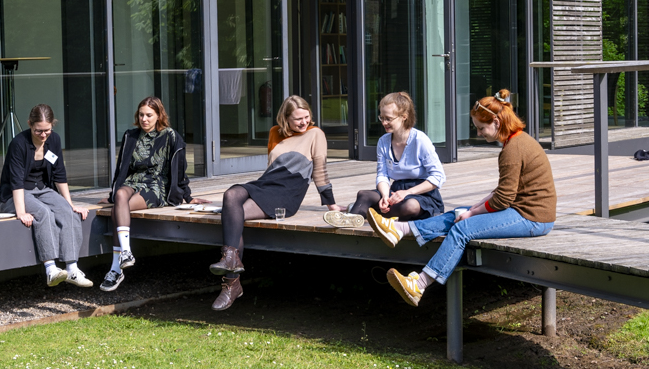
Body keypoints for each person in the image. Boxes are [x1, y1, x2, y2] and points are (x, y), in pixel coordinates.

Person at [367, 89, 556, 307]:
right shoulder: (516, 142)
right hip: (520, 209)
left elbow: (503, 199)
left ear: (496, 121)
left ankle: (419, 285)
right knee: (458, 213)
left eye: (481, 128)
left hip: (533, 218)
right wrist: (472, 208)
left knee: (462, 228)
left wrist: (473, 212)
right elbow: (504, 191)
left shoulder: (512, 150)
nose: (478, 133)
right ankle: (399, 230)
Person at [210, 95, 344, 310]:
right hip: (267, 184)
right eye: (297, 119)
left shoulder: (315, 134)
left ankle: (230, 283)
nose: (303, 122)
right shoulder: (275, 132)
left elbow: (320, 170)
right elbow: (272, 166)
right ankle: (230, 261)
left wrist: (331, 203)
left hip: (288, 192)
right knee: (231, 196)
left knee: (234, 213)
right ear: (285, 118)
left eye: (306, 117)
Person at [103, 97, 204, 293]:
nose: (144, 119)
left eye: (149, 115)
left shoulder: (171, 136)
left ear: (159, 116)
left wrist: (188, 196)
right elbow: (121, 170)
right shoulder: (130, 136)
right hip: (132, 182)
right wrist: (111, 195)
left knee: (118, 208)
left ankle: (116, 268)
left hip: (156, 186)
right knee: (120, 197)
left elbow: (181, 169)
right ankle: (126, 252)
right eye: (141, 115)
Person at [0, 104, 92, 287]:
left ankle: (72, 269)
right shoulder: (19, 144)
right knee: (44, 213)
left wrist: (70, 203)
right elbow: (16, 182)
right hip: (16, 195)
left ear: (52, 126)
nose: (43, 135)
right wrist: (21, 212)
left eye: (47, 131)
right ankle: (51, 269)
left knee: (67, 212)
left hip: (42, 189)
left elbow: (59, 174)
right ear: (29, 124)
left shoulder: (54, 141)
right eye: (38, 131)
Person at [332, 92, 445, 228]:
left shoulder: (420, 140)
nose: (384, 123)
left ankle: (364, 212)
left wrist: (408, 192)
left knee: (409, 206)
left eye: (389, 119)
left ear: (404, 117)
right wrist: (385, 196)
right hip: (395, 192)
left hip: (421, 194)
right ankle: (351, 221)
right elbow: (382, 174)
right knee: (364, 195)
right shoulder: (383, 142)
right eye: (382, 118)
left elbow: (438, 177)